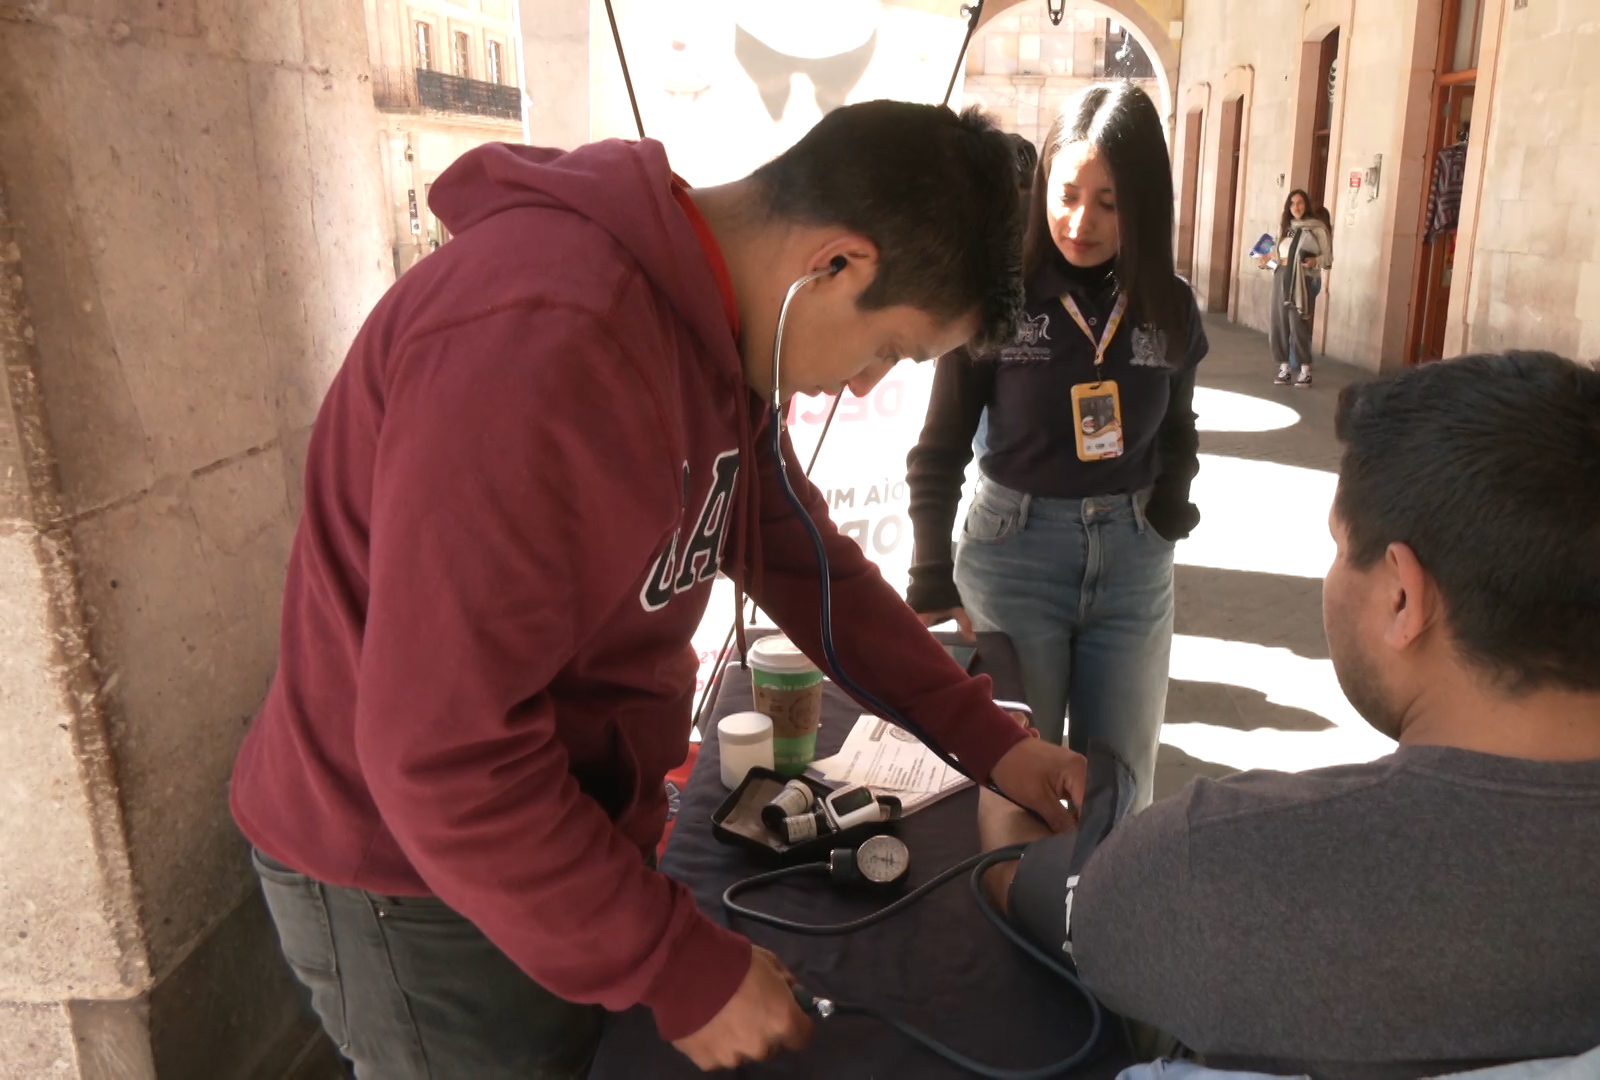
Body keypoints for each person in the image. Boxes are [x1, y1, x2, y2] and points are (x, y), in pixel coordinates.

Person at [226, 102, 1089, 1078]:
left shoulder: (711, 341)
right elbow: (443, 751)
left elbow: (807, 563)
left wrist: (991, 741)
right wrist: (675, 964)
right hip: (414, 877)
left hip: (550, 833)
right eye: (890, 347)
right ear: (836, 264)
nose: (862, 384)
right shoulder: (543, 340)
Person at [981, 352, 1600, 1078]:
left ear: (1402, 594)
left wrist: (998, 770)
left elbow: (1021, 888)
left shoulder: (1219, 864)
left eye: (1341, 549)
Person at [906, 83, 1207, 812]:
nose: (1080, 221)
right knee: (1014, 788)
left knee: (1119, 788)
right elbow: (939, 448)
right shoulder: (998, 297)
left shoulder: (1168, 304)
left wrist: (1170, 505)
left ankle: (1104, 894)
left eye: (1109, 202)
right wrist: (931, 574)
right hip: (1015, 557)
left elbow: (1179, 425)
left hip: (1133, 567)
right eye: (1067, 194)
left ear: (1144, 204)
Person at [1261, 189, 1332, 387]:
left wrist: (1314, 261)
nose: (1296, 207)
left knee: (1297, 322)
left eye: (1300, 203)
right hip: (1281, 275)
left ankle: (1305, 370)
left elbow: (1327, 258)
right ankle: (1283, 368)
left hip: (1302, 279)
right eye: (1292, 203)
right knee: (1279, 321)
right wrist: (1264, 262)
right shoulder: (1284, 228)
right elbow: (1277, 257)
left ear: (1306, 205)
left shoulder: (1317, 228)